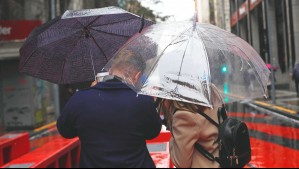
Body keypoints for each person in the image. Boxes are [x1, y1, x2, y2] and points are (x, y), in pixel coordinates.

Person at [57, 49, 162, 168]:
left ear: (110, 70)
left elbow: (66, 131)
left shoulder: (80, 99)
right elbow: (152, 133)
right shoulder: (143, 100)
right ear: (137, 76)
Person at [156, 85, 223, 168]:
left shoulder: (184, 115)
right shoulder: (211, 90)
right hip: (221, 162)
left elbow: (181, 163)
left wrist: (173, 136)